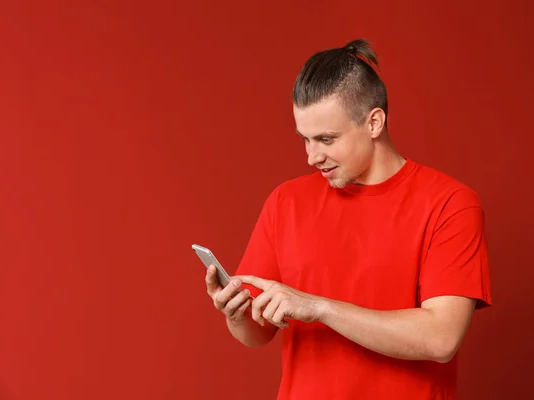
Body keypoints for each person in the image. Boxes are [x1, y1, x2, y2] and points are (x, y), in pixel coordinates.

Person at [204, 38, 492, 400]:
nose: (312, 156)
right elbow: (256, 334)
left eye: (326, 139)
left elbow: (441, 338)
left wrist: (320, 308)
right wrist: (236, 314)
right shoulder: (286, 201)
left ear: (374, 122)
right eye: (305, 139)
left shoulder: (451, 204)